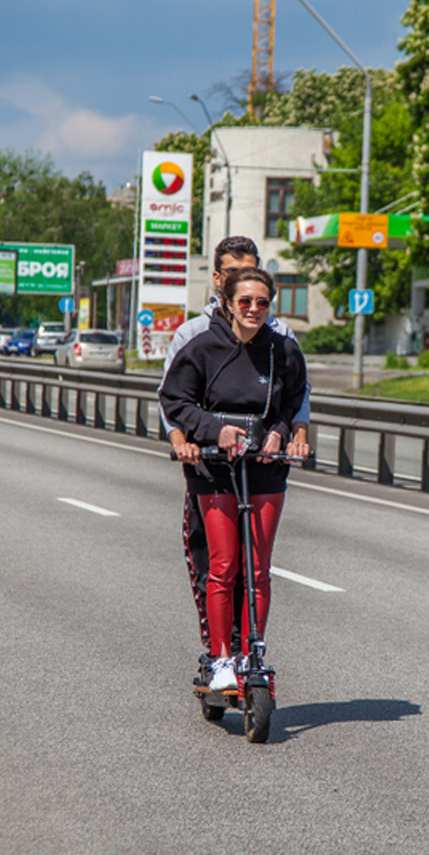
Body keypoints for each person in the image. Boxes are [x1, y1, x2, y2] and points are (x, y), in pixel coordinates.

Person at [160, 236, 310, 672]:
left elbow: (294, 398)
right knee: (221, 566)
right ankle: (220, 655)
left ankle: (252, 655)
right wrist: (195, 436)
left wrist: (284, 434)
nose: (253, 308)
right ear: (223, 294)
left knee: (258, 568)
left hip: (263, 467)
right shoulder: (198, 340)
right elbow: (173, 398)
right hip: (212, 466)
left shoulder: (282, 344)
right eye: (243, 298)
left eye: (262, 301)